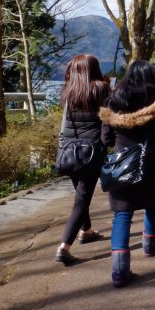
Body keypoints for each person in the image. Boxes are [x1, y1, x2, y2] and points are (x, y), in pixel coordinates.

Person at [99, 61, 155, 287]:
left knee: (122, 214)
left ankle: (119, 270)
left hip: (122, 166)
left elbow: (106, 139)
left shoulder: (113, 102)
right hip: (154, 164)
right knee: (153, 204)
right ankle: (150, 243)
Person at [54, 54, 110, 266]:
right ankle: (64, 247)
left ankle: (86, 230)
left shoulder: (68, 91)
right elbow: (107, 118)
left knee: (80, 193)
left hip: (69, 151)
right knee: (82, 199)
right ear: (94, 69)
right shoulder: (102, 89)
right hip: (91, 152)